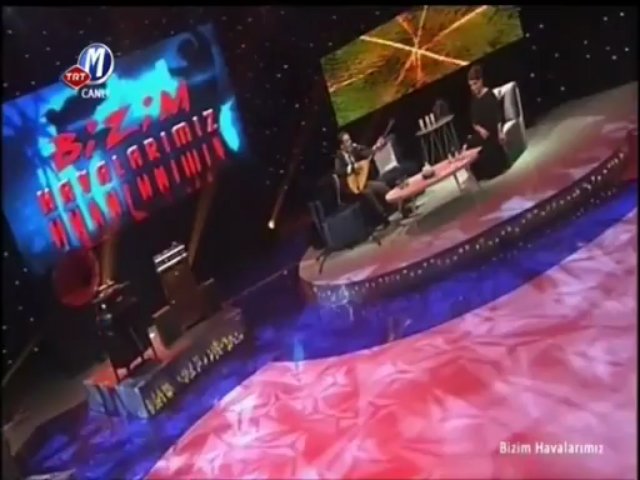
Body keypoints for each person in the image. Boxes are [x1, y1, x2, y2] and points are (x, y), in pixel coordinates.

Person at [334, 131, 391, 225]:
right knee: (368, 192)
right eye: (347, 141)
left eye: (349, 140)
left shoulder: (354, 150)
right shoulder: (339, 157)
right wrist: (352, 168)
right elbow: (339, 171)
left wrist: (376, 148)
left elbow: (367, 153)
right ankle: (383, 217)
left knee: (381, 186)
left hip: (362, 182)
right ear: (342, 146)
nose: (350, 143)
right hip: (351, 188)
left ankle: (399, 205)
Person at [465, 64, 510, 181]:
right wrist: (481, 130)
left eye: (475, 84)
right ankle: (476, 173)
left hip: (492, 132)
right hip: (482, 132)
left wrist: (500, 132)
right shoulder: (474, 99)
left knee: (486, 147)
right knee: (469, 144)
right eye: (471, 85)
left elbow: (498, 116)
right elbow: (474, 122)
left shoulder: (489, 95)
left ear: (481, 81)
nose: (473, 88)